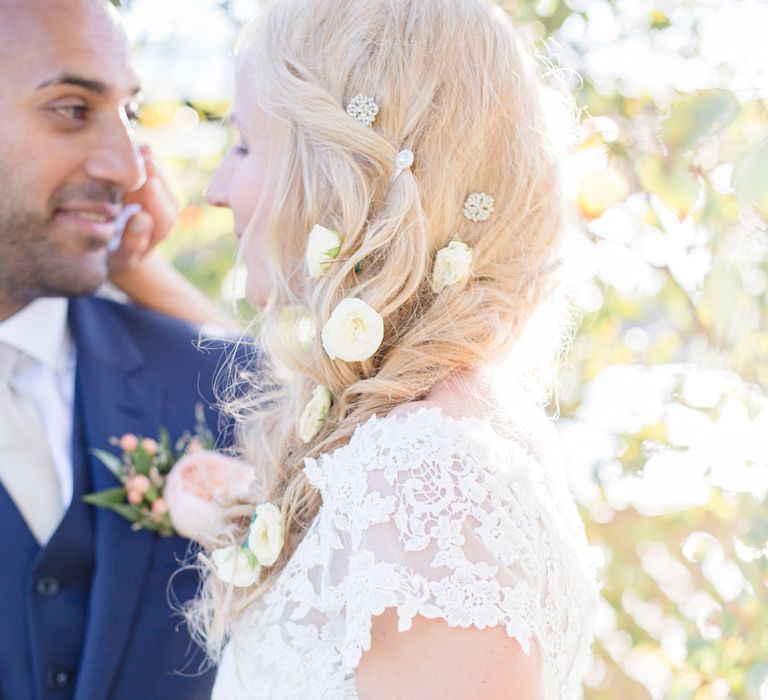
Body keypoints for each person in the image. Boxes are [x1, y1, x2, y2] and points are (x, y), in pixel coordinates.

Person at [171, 0, 600, 697]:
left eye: (245, 144)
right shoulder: (429, 432)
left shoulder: (427, 482)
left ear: (339, 171)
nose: (218, 188)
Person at [0, 1, 235, 698]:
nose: (129, 167)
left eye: (129, 112)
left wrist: (137, 274)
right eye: (72, 109)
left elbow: (352, 447)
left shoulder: (207, 382)